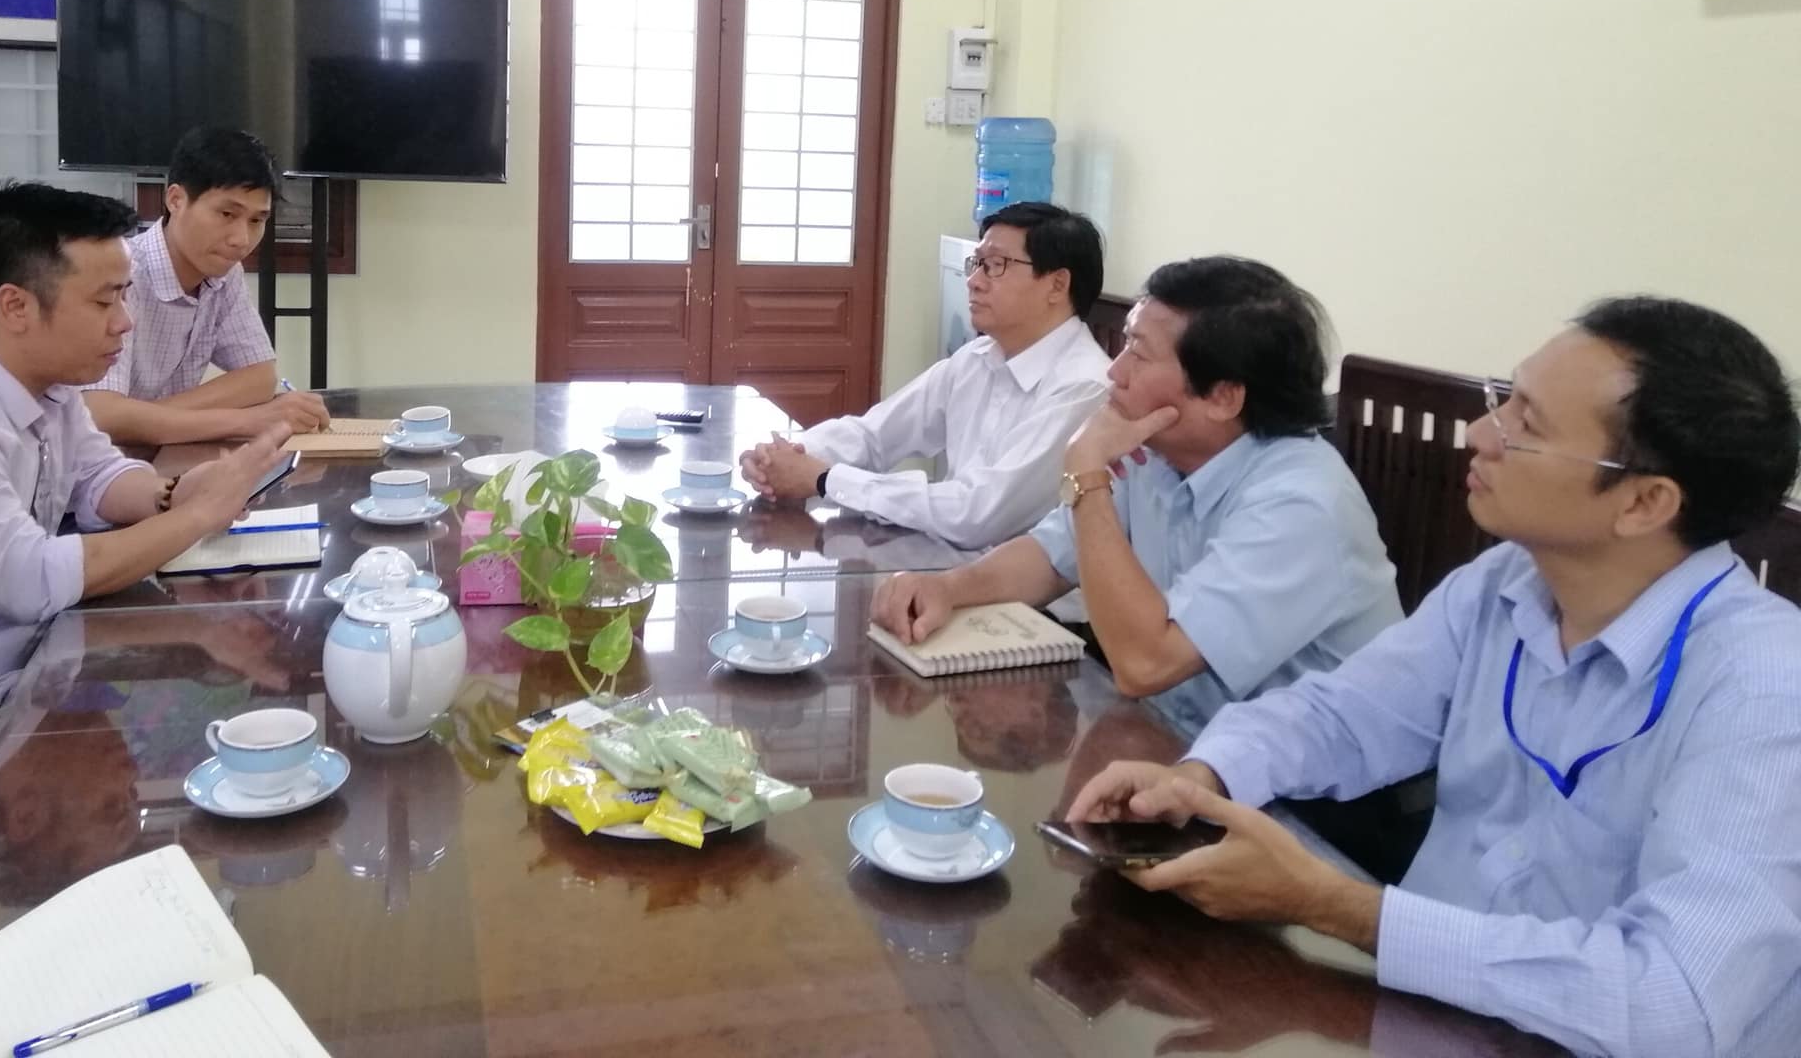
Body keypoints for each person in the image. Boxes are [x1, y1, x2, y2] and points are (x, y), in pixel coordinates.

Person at [1066, 297, 1801, 1058]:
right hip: (1427, 1018)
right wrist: (1202, 776)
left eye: (1527, 423)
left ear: (1645, 502)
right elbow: (1341, 715)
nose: (1481, 433)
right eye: (1503, 398)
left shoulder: (1767, 689)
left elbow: (1671, 1002)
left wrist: (1339, 907)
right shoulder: (1504, 583)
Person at [0, 181, 291, 714]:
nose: (124, 322)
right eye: (104, 300)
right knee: (214, 705)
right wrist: (196, 515)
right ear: (16, 306)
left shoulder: (42, 373)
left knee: (216, 676)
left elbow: (96, 473)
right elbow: (34, 578)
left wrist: (171, 493)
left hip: (33, 657)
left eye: (125, 295)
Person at [872, 256, 1401, 730]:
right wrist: (948, 588)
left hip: (1312, 791)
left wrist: (1087, 475)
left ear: (1223, 397)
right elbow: (1051, 557)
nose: (1115, 371)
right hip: (1185, 740)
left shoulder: (1301, 505)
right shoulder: (1159, 449)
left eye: (1139, 354)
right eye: (1124, 343)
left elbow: (1146, 664)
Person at [739, 202, 1112, 549]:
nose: (974, 280)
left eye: (995, 265)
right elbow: (875, 436)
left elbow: (978, 514)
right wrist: (786, 458)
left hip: (1029, 593)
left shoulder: (1084, 387)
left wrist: (823, 478)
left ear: (1057, 285)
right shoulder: (977, 358)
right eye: (976, 263)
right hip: (951, 568)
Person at [82, 126, 329, 445]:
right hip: (102, 467)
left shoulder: (225, 273)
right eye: (227, 214)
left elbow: (259, 377)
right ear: (175, 200)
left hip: (165, 454)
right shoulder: (123, 273)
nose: (241, 240)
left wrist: (146, 420)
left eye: (257, 220)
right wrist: (249, 420)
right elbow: (102, 415)